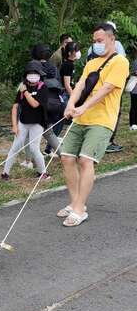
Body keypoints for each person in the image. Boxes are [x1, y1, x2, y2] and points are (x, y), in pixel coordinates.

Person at [59, 23, 129, 227]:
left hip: (102, 119)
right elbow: (80, 85)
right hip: (81, 118)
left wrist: (84, 107)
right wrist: (70, 105)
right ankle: (74, 203)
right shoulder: (91, 63)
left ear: (111, 39)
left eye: (99, 41)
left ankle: (80, 209)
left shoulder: (120, 62)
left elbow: (106, 89)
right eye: (94, 42)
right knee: (66, 158)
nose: (96, 45)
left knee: (85, 160)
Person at [1, 60, 51, 181]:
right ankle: (5, 173)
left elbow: (34, 104)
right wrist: (14, 125)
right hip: (23, 122)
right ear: (26, 75)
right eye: (30, 73)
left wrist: (25, 92)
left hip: (37, 123)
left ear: (40, 74)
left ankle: (42, 173)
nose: (33, 75)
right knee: (15, 147)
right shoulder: (22, 86)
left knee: (34, 148)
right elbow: (15, 106)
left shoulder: (43, 88)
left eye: (36, 72)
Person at [87, 21, 126, 153]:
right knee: (113, 112)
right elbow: (121, 62)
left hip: (92, 86)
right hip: (109, 86)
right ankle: (108, 141)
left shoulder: (92, 47)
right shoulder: (117, 46)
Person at [129, 49, 137, 130]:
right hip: (135, 89)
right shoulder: (135, 62)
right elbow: (134, 72)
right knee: (134, 106)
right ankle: (133, 124)